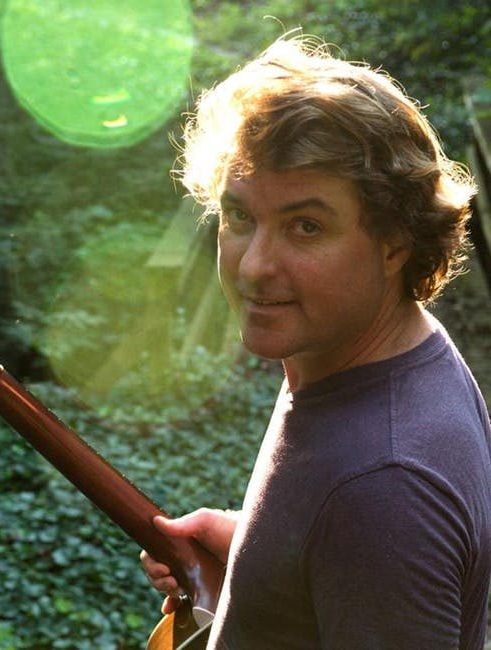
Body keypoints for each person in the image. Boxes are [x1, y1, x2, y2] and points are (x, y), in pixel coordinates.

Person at [140, 34, 491, 649]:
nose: (254, 266)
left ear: (395, 243)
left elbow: (378, 522)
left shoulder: (384, 490)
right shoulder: (386, 358)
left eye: (306, 226)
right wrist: (262, 565)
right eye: (240, 216)